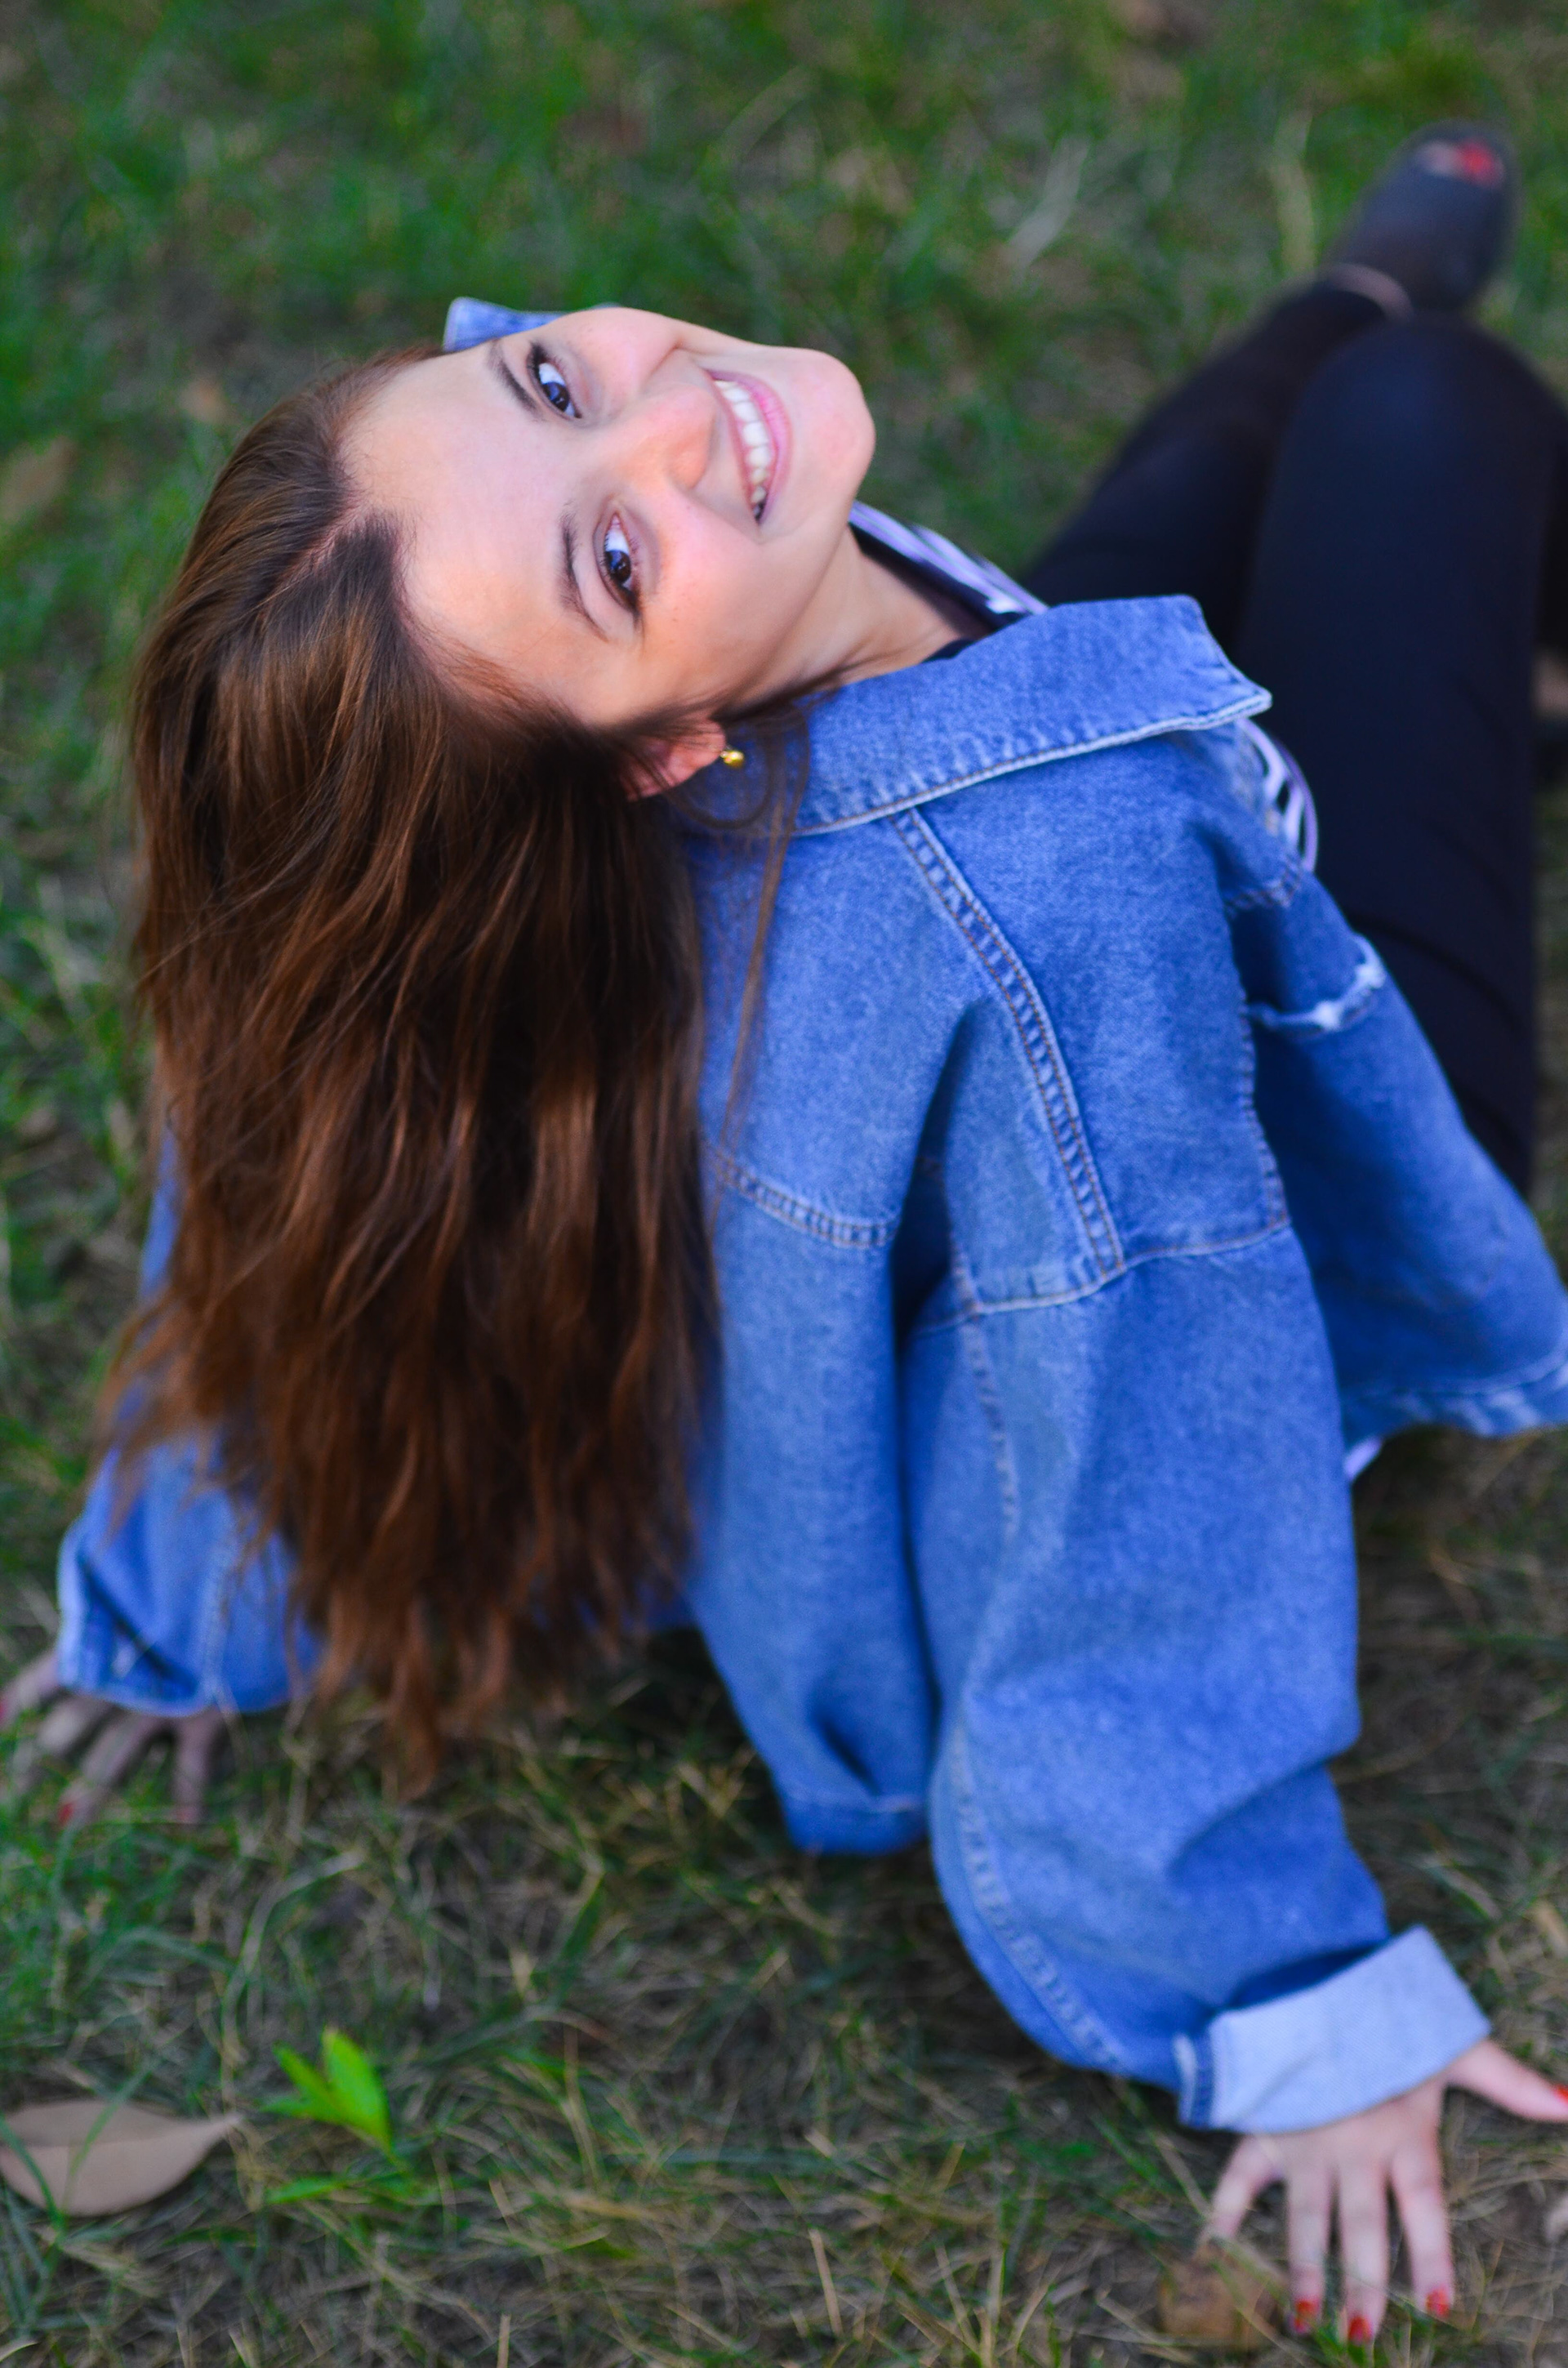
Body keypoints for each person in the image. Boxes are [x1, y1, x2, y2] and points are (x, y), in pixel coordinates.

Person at [7, 120, 1568, 2341]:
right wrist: (1275, 1992)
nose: (662, 411)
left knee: (1232, 478)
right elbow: (1144, 1427)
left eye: (549, 378)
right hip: (1291, 1155)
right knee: (1428, 428)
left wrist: (181, 1587)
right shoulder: (1070, 887)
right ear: (662, 758)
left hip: (969, 845)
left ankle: (1357, 308)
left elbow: (284, 1123)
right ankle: (1415, 415)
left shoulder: (532, 704)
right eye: (611, 556)